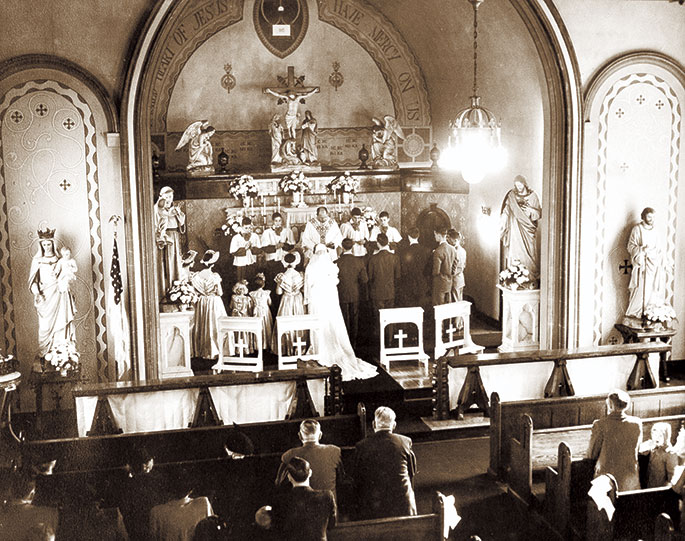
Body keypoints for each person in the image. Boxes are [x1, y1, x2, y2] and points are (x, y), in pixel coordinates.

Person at [304, 244, 377, 381]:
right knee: (333, 323)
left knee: (319, 323)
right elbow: (336, 281)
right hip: (329, 300)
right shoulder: (331, 266)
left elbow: (308, 286)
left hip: (317, 300)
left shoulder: (311, 267)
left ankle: (319, 348)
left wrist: (307, 300)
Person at [353, 406, 417, 520]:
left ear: (373, 424)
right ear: (394, 425)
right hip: (403, 505)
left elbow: (357, 478)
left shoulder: (361, 446)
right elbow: (412, 473)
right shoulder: (405, 442)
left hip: (374, 508)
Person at [28, 229, 77, 358]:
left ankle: (61, 354)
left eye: (48, 244)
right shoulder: (37, 261)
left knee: (61, 324)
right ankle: (45, 355)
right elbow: (33, 281)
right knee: (44, 327)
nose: (46, 247)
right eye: (44, 244)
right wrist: (36, 291)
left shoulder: (60, 260)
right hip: (45, 298)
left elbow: (67, 274)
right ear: (41, 245)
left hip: (59, 295)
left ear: (53, 244)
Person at [275, 419, 344, 501]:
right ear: (320, 435)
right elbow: (342, 480)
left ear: (300, 436)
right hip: (329, 509)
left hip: (300, 508)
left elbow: (278, 483)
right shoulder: (335, 451)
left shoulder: (289, 455)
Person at [587, 390, 642, 491]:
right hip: (630, 478)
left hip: (606, 478)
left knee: (602, 505)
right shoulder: (637, 423)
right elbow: (637, 448)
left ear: (610, 405)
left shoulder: (600, 425)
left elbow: (592, 454)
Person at [271, 457, 337, 541]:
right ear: (310, 473)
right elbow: (331, 525)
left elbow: (277, 530)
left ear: (289, 477)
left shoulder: (280, 500)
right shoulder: (327, 496)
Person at [624, 207, 668, 324]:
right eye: (649, 217)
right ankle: (636, 313)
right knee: (641, 288)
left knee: (652, 289)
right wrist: (641, 250)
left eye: (653, 217)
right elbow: (631, 246)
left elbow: (659, 249)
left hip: (654, 265)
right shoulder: (637, 229)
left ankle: (649, 313)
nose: (651, 219)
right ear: (643, 217)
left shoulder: (655, 232)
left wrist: (661, 259)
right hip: (642, 264)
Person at [500, 175, 541, 276]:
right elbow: (507, 209)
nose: (518, 187)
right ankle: (515, 274)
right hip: (515, 228)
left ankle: (530, 275)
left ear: (524, 184)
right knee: (515, 251)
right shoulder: (512, 196)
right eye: (516, 185)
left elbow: (538, 214)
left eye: (520, 184)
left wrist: (529, 211)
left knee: (530, 251)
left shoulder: (533, 196)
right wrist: (504, 218)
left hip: (528, 229)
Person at [190, 250, 227, 359]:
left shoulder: (196, 276)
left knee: (203, 324)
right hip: (213, 301)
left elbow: (194, 292)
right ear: (213, 264)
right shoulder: (214, 276)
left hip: (202, 302)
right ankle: (214, 351)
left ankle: (203, 351)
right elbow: (220, 292)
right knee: (214, 324)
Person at [336, 238, 368, 351]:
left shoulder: (337, 262)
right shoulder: (359, 261)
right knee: (354, 318)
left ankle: (345, 345)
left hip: (342, 294)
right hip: (355, 293)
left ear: (342, 247)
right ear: (352, 247)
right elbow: (364, 280)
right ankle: (353, 345)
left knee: (344, 318)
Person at [154, 186, 186, 297]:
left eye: (170, 196)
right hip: (165, 238)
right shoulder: (157, 209)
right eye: (166, 197)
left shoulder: (174, 209)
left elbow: (181, 225)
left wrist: (178, 215)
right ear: (161, 197)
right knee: (165, 264)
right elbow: (157, 224)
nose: (169, 199)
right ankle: (164, 292)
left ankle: (176, 291)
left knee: (175, 261)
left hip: (175, 236)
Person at [271, 252, 305, 355]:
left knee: (286, 322)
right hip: (298, 300)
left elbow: (278, 292)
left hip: (286, 300)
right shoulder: (300, 275)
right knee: (298, 322)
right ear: (296, 261)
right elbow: (303, 290)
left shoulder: (282, 276)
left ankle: (286, 348)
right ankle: (298, 348)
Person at [367, 233, 401, 336]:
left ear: (378, 244)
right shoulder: (395, 257)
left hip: (377, 292)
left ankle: (379, 340)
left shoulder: (373, 258)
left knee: (378, 317)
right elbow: (398, 276)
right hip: (390, 291)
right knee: (390, 316)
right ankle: (390, 338)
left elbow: (370, 277)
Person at [638, 421, 678, 488]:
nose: (656, 438)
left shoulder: (669, 453)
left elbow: (672, 476)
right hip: (649, 485)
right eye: (654, 434)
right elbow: (640, 450)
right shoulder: (652, 446)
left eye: (660, 435)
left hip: (660, 487)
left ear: (666, 436)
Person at [398, 227, 430, 307]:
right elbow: (428, 269)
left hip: (408, 283)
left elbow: (403, 269)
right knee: (421, 308)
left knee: (410, 307)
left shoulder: (404, 251)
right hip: (422, 282)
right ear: (418, 236)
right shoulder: (426, 251)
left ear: (409, 236)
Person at [261, 212, 295, 286]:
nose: (278, 223)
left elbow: (292, 245)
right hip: (272, 260)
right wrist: (275, 247)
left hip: (283, 260)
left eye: (279, 221)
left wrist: (283, 245)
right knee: (272, 281)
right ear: (273, 221)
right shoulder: (267, 232)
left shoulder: (287, 231)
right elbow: (264, 248)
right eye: (276, 221)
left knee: (283, 281)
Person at [230, 217, 261, 282]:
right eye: (246, 228)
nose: (248, 230)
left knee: (252, 279)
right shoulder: (236, 238)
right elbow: (233, 251)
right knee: (241, 280)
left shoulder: (255, 236)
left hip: (251, 261)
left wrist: (252, 247)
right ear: (241, 227)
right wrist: (245, 248)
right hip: (241, 263)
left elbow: (259, 250)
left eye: (250, 227)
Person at [432, 226, 456, 306]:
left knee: (438, 307)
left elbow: (436, 271)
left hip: (439, 283)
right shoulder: (453, 249)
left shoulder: (438, 251)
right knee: (448, 307)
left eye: (435, 235)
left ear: (438, 235)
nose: (434, 237)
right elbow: (454, 268)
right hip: (449, 282)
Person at [249, 273, 273, 350]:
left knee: (258, 327)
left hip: (256, 311)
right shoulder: (266, 293)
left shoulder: (252, 294)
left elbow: (251, 305)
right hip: (265, 311)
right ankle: (267, 344)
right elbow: (269, 303)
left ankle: (258, 345)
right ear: (263, 284)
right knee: (266, 326)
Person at [448, 229, 466, 302]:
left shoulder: (457, 251)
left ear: (455, 240)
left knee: (456, 302)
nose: (449, 242)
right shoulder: (462, 250)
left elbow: (458, 268)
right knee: (459, 300)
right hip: (460, 279)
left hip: (456, 280)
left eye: (450, 240)